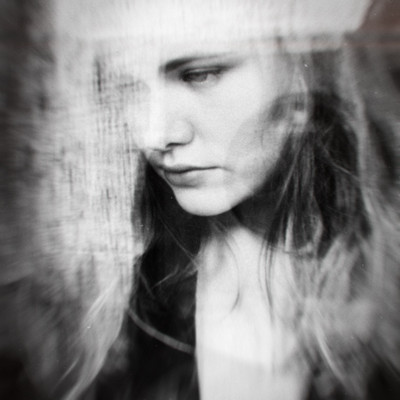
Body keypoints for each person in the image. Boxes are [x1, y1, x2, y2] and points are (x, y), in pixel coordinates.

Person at [80, 0, 400, 399]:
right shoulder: (148, 283)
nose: (153, 135)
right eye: (126, 86)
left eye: (200, 74)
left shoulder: (384, 281)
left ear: (303, 74)